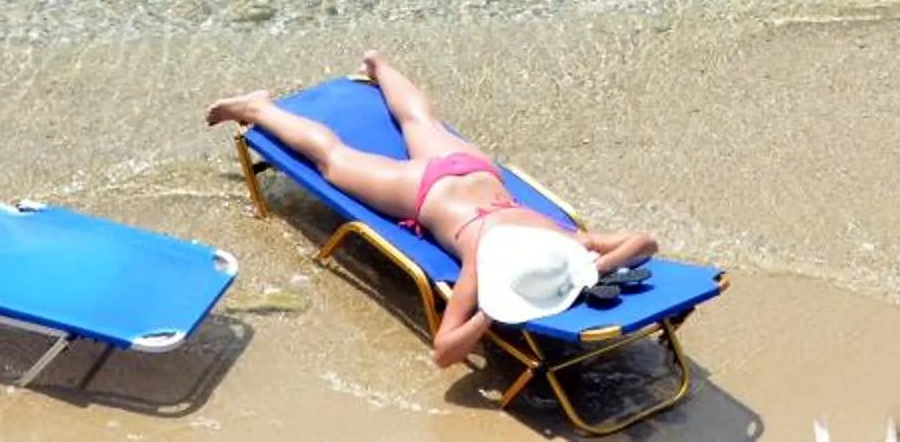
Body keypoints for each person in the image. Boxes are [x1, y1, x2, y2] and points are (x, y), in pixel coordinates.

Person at [207, 53, 658, 364]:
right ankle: (259, 108)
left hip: (474, 173)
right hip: (426, 190)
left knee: (419, 122)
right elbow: (445, 352)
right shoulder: (485, 269)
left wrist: (593, 268)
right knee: (334, 160)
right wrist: (493, 312)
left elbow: (643, 243)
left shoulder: (560, 245)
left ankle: (379, 64)